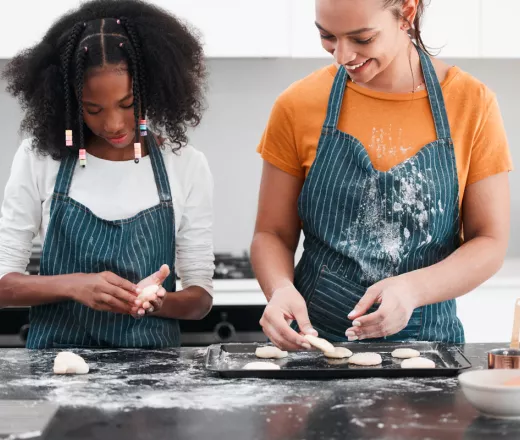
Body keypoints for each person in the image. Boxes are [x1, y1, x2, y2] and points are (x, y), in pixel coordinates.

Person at [251, 0, 513, 350]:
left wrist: (412, 289)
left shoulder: (472, 104)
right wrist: (280, 289)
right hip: (313, 348)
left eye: (362, 39)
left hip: (431, 353)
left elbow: (490, 242)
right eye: (327, 36)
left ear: (407, 11)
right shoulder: (297, 104)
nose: (342, 55)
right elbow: (272, 233)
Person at [0, 0, 214, 349]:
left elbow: (200, 299)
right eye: (93, 109)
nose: (113, 124)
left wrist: (155, 301)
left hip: (155, 379)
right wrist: (73, 285)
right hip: (57, 375)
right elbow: (3, 286)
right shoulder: (39, 158)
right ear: (69, 102)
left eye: (128, 104)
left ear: (153, 90)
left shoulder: (185, 165)